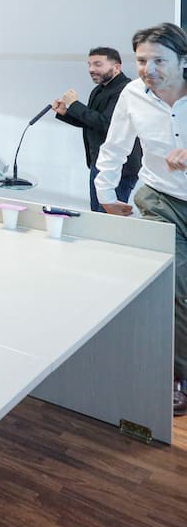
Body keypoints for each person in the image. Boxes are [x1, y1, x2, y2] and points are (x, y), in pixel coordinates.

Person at [94, 23, 187, 417]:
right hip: (158, 198)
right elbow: (115, 146)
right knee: (174, 286)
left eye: (160, 60)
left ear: (183, 61)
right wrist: (106, 195)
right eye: (142, 60)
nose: (149, 69)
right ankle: (177, 377)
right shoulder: (133, 94)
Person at [53, 46, 142, 213]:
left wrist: (74, 105)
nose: (91, 69)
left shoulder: (125, 90)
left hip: (119, 168)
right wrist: (67, 113)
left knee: (107, 219)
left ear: (116, 67)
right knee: (97, 214)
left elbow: (108, 125)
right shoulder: (99, 90)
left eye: (98, 64)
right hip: (99, 163)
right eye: (89, 64)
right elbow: (93, 123)